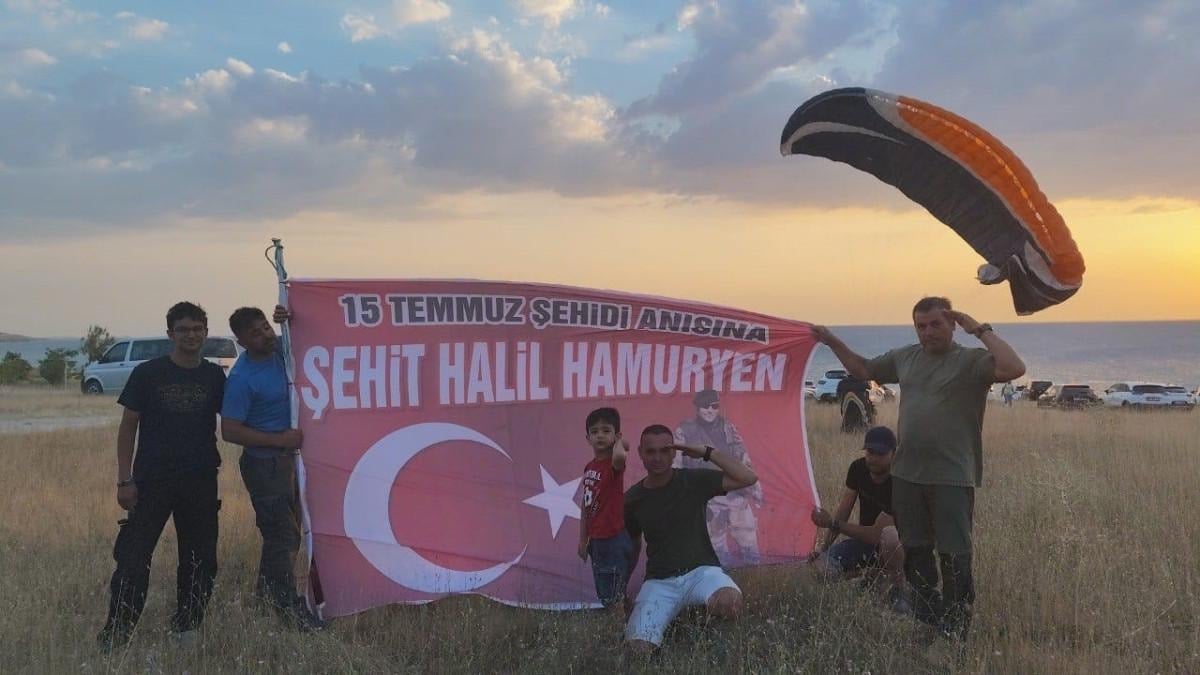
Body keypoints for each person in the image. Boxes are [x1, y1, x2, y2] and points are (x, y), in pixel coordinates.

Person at [812, 297, 1025, 641]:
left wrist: (979, 329)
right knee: (916, 551)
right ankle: (928, 621)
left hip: (952, 475)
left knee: (954, 554)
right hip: (907, 476)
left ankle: (955, 627)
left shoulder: (970, 360)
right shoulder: (906, 358)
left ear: (953, 324)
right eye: (921, 326)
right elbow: (863, 369)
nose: (928, 332)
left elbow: (1014, 368)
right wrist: (831, 340)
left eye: (936, 324)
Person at [97, 302, 225, 650]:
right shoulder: (148, 373)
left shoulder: (215, 376)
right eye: (183, 329)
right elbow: (128, 427)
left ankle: (187, 627)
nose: (191, 335)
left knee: (200, 559)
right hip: (152, 479)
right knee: (133, 558)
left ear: (206, 333)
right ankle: (118, 633)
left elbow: (236, 416)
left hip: (200, 479)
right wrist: (124, 479)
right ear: (170, 334)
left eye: (197, 329)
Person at [221, 306, 321, 631]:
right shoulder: (242, 378)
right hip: (265, 465)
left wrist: (291, 315)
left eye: (265, 327)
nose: (265, 335)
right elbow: (230, 430)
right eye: (255, 333)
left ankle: (266, 598)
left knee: (286, 534)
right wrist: (279, 439)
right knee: (283, 536)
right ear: (241, 342)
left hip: (291, 461)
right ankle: (286, 608)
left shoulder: (280, 351)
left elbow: (308, 335)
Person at [624, 424, 759, 652]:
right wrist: (623, 590)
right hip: (659, 581)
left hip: (701, 572)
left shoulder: (693, 480)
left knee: (730, 602)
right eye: (651, 451)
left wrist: (707, 452)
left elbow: (748, 477)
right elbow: (633, 544)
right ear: (640, 453)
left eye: (665, 450)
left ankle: (701, 620)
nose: (657, 458)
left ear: (674, 453)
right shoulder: (632, 499)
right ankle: (679, 615)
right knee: (638, 649)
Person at [808, 426, 908, 613]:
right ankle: (871, 575)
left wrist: (832, 523)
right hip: (865, 545)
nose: (873, 458)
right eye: (869, 452)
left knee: (890, 536)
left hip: (898, 548)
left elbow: (876, 535)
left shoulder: (901, 481)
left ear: (894, 454)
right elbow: (844, 510)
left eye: (880, 453)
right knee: (820, 568)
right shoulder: (858, 468)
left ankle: (897, 589)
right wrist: (824, 550)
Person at [675, 389, 764, 566]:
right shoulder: (684, 431)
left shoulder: (728, 427)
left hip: (734, 493)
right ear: (697, 407)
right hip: (707, 496)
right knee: (717, 549)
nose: (710, 410)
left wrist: (756, 490)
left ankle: (752, 578)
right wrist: (688, 500)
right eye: (705, 406)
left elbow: (744, 459)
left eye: (714, 406)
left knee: (750, 546)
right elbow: (676, 467)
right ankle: (724, 577)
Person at [577, 407, 634, 609]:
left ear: (616, 435)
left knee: (613, 593)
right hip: (596, 540)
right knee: (606, 589)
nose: (600, 435)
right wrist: (583, 538)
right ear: (588, 438)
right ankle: (624, 617)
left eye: (606, 430)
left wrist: (621, 442)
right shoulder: (590, 467)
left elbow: (621, 455)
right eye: (594, 432)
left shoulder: (613, 464)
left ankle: (619, 626)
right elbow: (585, 505)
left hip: (612, 539)